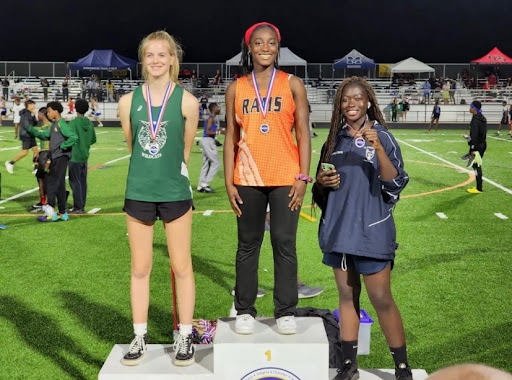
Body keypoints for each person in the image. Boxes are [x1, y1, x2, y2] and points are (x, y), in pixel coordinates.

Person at [312, 76, 411, 380]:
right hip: (340, 232)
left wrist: (378, 148)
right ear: (339, 105)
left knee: (381, 298)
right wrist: (321, 181)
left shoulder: (383, 136)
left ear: (368, 101)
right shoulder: (333, 140)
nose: (351, 104)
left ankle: (402, 367)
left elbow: (395, 182)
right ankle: (348, 365)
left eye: (357, 99)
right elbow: (320, 188)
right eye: (345, 99)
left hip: (372, 231)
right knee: (346, 298)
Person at [224, 22, 311, 336]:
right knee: (247, 244)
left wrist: (302, 177)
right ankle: (245, 309)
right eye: (258, 42)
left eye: (271, 42)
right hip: (247, 176)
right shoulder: (236, 88)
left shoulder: (292, 84)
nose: (265, 47)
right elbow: (231, 136)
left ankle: (285, 310)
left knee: (284, 243)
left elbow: (303, 133)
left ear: (278, 47)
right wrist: (229, 182)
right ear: (249, 47)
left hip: (286, 175)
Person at [118, 30, 199, 367]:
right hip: (139, 191)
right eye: (149, 55)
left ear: (172, 59)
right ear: (143, 60)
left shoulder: (187, 102)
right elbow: (131, 146)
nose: (155, 60)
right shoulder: (127, 102)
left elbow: (184, 150)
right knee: (140, 267)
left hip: (174, 193)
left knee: (181, 265)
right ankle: (139, 335)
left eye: (161, 54)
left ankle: (185, 336)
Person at [27, 101, 78, 222]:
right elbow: (44, 135)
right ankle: (62, 213)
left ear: (56, 111)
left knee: (51, 181)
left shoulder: (61, 124)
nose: (48, 113)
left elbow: (74, 137)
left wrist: (63, 146)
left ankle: (51, 213)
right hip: (56, 157)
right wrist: (31, 130)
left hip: (61, 157)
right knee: (59, 184)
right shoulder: (54, 125)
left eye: (49, 111)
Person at [68, 99, 97, 213]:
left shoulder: (73, 123)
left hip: (74, 156)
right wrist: (84, 144)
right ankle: (81, 205)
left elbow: (68, 138)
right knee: (82, 182)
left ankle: (78, 207)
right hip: (85, 156)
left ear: (75, 108)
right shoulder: (89, 123)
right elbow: (93, 139)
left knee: (74, 182)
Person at [5, 100, 39, 174]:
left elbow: (35, 124)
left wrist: (34, 116)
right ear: (29, 105)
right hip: (26, 135)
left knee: (36, 151)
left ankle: (36, 168)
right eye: (33, 104)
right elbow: (26, 125)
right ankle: (10, 163)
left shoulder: (30, 113)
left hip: (30, 134)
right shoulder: (25, 114)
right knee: (24, 152)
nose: (34, 106)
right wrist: (35, 132)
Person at [198, 102, 224, 193]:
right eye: (218, 107)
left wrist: (218, 131)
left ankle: (200, 185)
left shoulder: (212, 118)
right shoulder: (211, 118)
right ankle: (206, 183)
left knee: (206, 163)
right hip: (208, 141)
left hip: (206, 140)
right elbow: (208, 131)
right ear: (213, 109)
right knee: (216, 163)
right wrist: (220, 132)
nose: (219, 108)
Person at [32, 107, 52, 209]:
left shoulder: (48, 126)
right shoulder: (46, 125)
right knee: (44, 178)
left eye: (38, 113)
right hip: (45, 153)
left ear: (42, 114)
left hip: (47, 154)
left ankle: (44, 201)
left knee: (42, 178)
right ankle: (47, 200)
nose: (37, 115)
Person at [466, 101, 487, 194]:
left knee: (476, 165)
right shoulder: (482, 118)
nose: (469, 108)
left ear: (474, 108)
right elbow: (481, 133)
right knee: (476, 165)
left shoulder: (475, 119)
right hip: (482, 143)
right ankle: (479, 186)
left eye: (470, 106)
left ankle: (479, 187)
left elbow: (474, 135)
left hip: (477, 145)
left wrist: (473, 148)